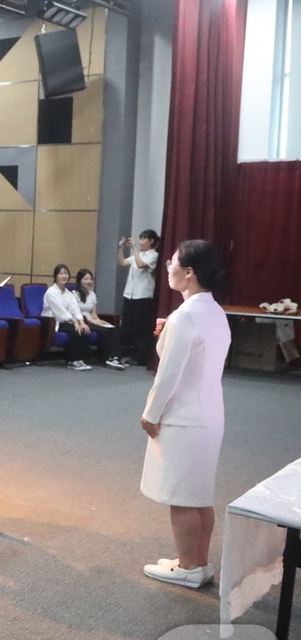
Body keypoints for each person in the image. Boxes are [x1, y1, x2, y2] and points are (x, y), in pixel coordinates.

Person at [139, 240, 230, 588]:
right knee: (199, 495)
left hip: (183, 417)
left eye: (172, 262)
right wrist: (167, 335)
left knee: (181, 497)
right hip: (209, 414)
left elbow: (169, 374)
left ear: (189, 272)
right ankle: (197, 563)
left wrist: (150, 413)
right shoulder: (214, 311)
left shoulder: (185, 316)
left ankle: (188, 567)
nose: (168, 267)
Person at [117, 228, 160, 366]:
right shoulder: (139, 254)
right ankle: (126, 353)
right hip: (130, 294)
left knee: (140, 327)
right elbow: (122, 262)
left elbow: (141, 265)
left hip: (143, 295)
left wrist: (134, 248)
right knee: (128, 325)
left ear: (151, 241)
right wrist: (121, 248)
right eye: (140, 239)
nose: (141, 242)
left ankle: (140, 356)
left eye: (143, 239)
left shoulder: (154, 255)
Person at [42, 263, 94, 371]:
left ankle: (81, 359)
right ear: (55, 276)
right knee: (74, 329)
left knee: (83, 328)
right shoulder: (50, 292)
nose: (64, 276)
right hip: (52, 322)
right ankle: (72, 361)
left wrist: (81, 322)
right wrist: (74, 321)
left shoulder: (68, 293)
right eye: (61, 274)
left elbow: (75, 308)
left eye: (66, 273)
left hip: (66, 321)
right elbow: (60, 311)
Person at [75, 268, 126, 369]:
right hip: (82, 320)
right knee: (104, 331)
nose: (88, 281)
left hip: (91, 320)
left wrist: (103, 322)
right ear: (79, 280)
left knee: (113, 329)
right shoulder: (73, 294)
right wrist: (89, 321)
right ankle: (106, 358)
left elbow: (94, 315)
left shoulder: (92, 294)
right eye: (85, 279)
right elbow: (75, 312)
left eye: (90, 279)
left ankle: (115, 358)